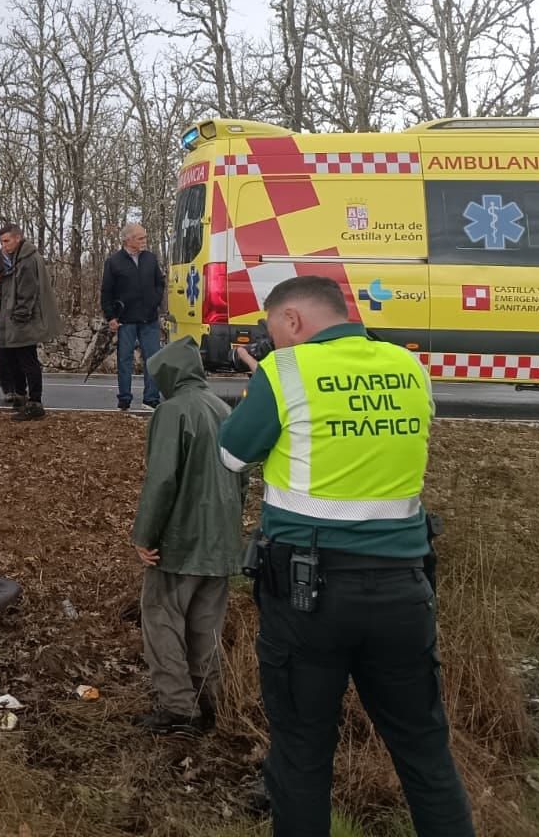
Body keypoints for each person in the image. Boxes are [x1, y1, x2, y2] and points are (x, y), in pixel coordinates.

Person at [219, 275, 474, 836]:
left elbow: (232, 454)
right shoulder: (409, 368)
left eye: (272, 328)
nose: (271, 340)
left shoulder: (285, 372)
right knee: (425, 752)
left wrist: (258, 384)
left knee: (302, 752)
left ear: (292, 321)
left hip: (308, 592)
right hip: (404, 589)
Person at [130, 337, 243, 739]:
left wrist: (145, 535)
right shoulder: (221, 408)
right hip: (222, 542)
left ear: (168, 375)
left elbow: (161, 479)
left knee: (162, 618)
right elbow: (241, 475)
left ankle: (178, 707)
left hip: (180, 542)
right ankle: (208, 701)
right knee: (206, 625)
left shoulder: (173, 410)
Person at [0, 224, 58, 421]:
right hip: (16, 316)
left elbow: (27, 290)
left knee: (27, 360)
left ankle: (34, 402)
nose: (4, 246)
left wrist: (20, 315)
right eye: (2, 242)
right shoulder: (20, 257)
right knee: (15, 358)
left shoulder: (27, 259)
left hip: (23, 318)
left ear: (18, 238)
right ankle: (21, 397)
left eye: (7, 241)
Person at [101, 222, 167, 412]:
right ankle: (124, 398)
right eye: (140, 238)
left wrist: (154, 302)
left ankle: (151, 399)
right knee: (124, 360)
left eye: (145, 237)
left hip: (149, 319)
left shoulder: (150, 259)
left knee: (153, 359)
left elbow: (159, 284)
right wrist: (111, 317)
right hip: (125, 320)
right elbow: (106, 292)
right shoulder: (114, 262)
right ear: (128, 240)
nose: (144, 241)